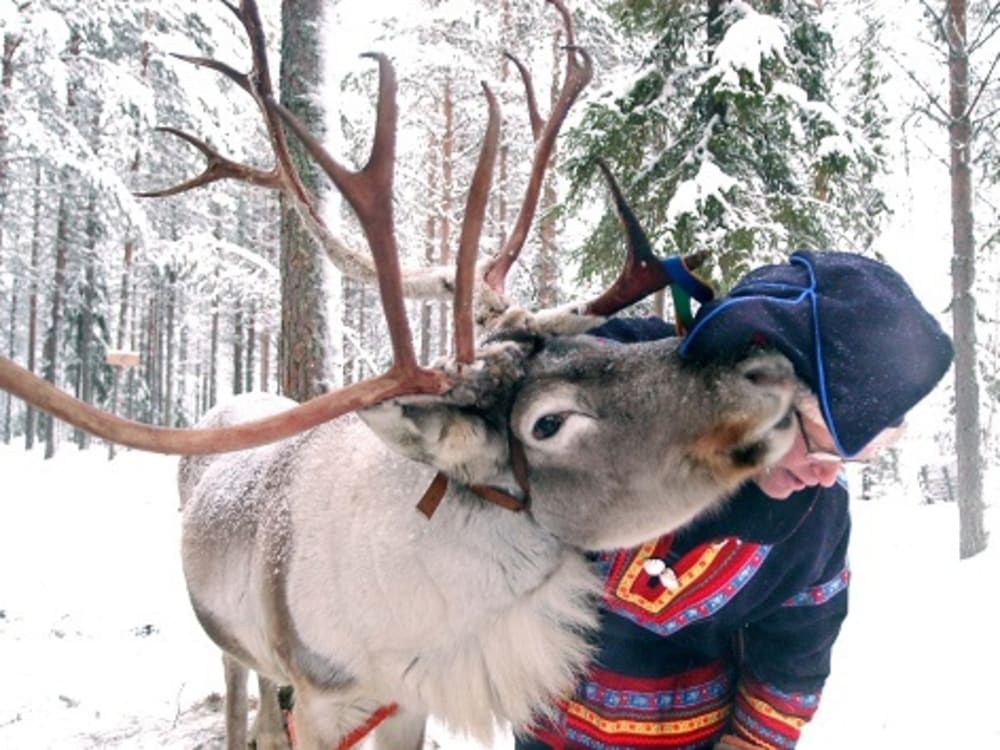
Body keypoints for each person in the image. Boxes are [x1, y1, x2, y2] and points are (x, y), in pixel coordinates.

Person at [516, 250, 954, 750]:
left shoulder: (816, 520)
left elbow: (794, 660)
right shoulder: (625, 386)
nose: (824, 477)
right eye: (819, 446)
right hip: (547, 725)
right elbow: (529, 377)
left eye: (848, 461)